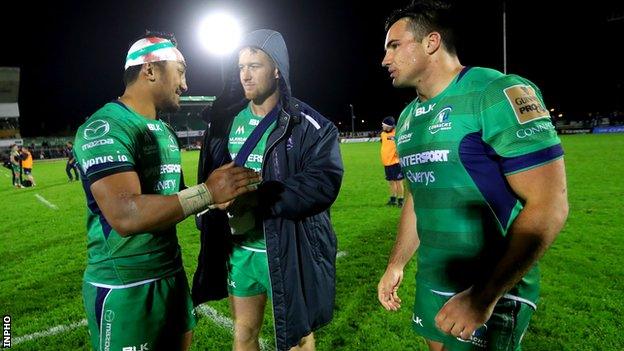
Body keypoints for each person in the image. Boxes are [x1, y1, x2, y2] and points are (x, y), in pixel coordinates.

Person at [376, 2, 569, 350]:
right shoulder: (407, 118)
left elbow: (550, 204)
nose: (385, 60)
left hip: (489, 287)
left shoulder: (495, 92)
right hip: (433, 279)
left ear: (431, 42)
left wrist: (483, 296)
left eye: (394, 46)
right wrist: (396, 264)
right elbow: (418, 196)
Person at [73, 31, 260, 351]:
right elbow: (125, 214)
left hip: (171, 276)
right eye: (181, 71)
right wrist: (206, 192)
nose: (185, 84)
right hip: (125, 285)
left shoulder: (165, 130)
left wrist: (215, 200)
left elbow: (174, 195)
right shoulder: (105, 127)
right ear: (150, 70)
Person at [192, 29, 343, 351]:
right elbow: (211, 179)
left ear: (277, 70)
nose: (245, 75)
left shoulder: (308, 124)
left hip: (290, 250)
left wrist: (257, 198)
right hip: (241, 251)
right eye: (241, 67)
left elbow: (322, 183)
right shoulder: (224, 124)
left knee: (298, 339)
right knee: (244, 333)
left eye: (254, 65)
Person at [380, 116, 404, 207]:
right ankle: (393, 199)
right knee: (391, 182)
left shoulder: (397, 133)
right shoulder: (382, 134)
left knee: (399, 182)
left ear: (388, 126)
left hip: (395, 163)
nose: (382, 126)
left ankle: (401, 200)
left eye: (383, 125)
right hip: (386, 163)